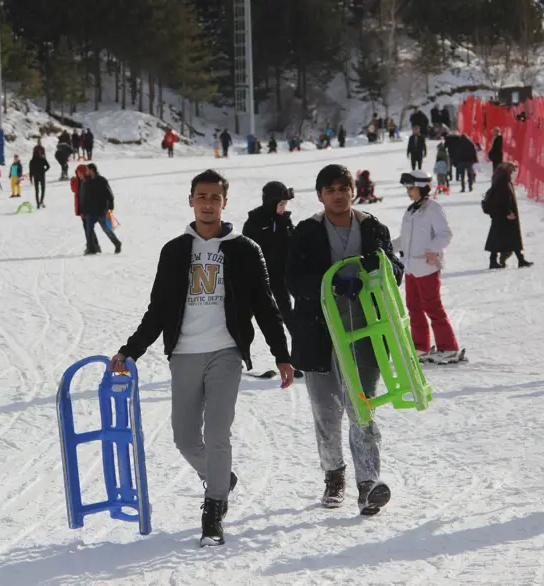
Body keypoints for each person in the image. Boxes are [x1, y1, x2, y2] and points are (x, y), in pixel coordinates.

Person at [110, 169, 292, 546]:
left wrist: (282, 354)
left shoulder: (244, 249)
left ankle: (213, 509)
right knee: (185, 437)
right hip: (184, 352)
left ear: (225, 203)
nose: (208, 204)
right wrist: (131, 350)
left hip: (225, 351)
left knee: (218, 432)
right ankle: (221, 478)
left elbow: (265, 305)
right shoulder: (175, 250)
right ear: (191, 200)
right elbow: (158, 310)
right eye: (201, 196)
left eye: (215, 198)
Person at [286, 164, 403, 516]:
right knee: (326, 411)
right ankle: (333, 474)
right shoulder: (306, 232)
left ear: (354, 191)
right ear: (320, 195)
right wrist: (329, 283)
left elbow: (395, 272)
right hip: (318, 333)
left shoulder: (372, 227)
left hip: (365, 330)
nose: (339, 194)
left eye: (344, 187)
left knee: (361, 406)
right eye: (331, 189)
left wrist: (380, 264)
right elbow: (293, 280)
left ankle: (369, 483)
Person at [395, 170, 461, 364]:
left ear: (423, 188)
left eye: (412, 188)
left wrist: (434, 249)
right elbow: (404, 239)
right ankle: (420, 347)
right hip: (410, 266)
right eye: (407, 188)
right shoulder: (411, 210)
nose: (409, 192)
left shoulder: (433, 208)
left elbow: (445, 234)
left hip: (427, 265)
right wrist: (386, 245)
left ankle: (448, 348)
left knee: (432, 307)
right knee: (413, 307)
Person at [242, 181, 303, 379]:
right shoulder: (255, 222)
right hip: (257, 280)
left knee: (289, 315)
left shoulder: (284, 221)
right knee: (245, 318)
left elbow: (293, 246)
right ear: (271, 202)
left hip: (280, 278)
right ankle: (235, 358)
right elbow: (245, 250)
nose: (284, 208)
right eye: (281, 204)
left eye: (286, 204)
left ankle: (301, 357)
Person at [485, 162, 533, 269]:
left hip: (502, 215)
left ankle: (518, 259)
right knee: (503, 238)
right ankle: (495, 260)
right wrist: (508, 212)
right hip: (504, 215)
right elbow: (502, 199)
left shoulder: (502, 181)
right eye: (512, 171)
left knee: (506, 238)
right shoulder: (502, 183)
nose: (514, 173)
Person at [81, 163, 121, 255]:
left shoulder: (102, 180)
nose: (86, 172)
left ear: (92, 170)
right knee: (89, 229)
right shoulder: (86, 181)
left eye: (87, 170)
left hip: (101, 210)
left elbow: (110, 194)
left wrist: (110, 207)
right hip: (90, 211)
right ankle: (91, 249)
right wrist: (83, 210)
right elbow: (84, 197)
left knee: (106, 229)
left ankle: (117, 243)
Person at [71, 164, 99, 254]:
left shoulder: (87, 181)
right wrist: (72, 182)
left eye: (80, 173)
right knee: (87, 227)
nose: (79, 175)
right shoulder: (78, 181)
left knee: (88, 228)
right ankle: (94, 245)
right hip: (81, 207)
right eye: (78, 173)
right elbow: (74, 190)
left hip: (87, 208)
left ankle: (92, 247)